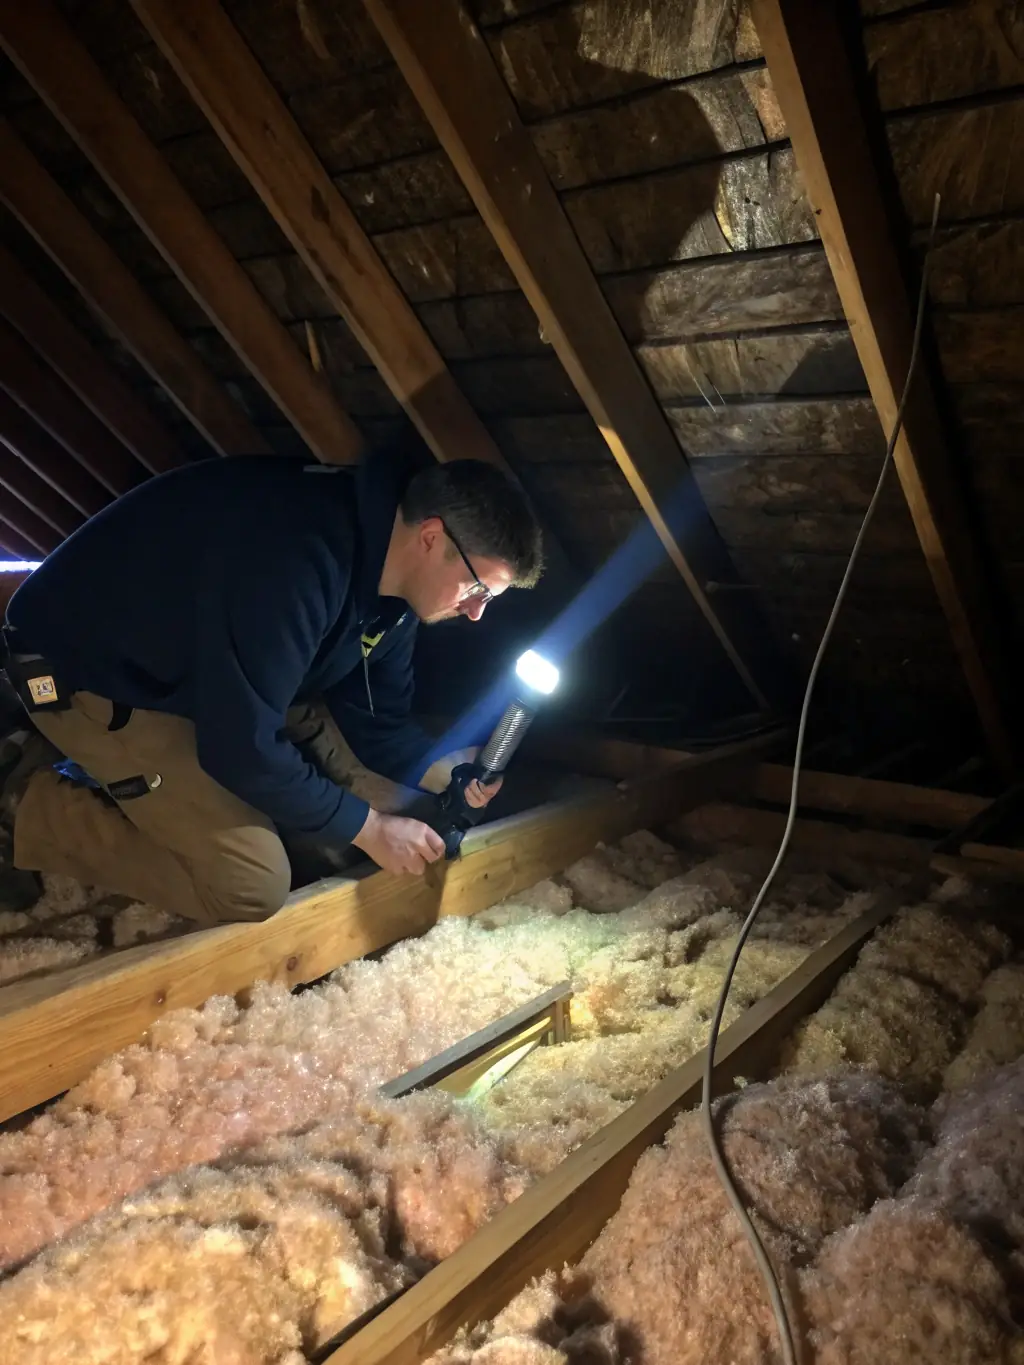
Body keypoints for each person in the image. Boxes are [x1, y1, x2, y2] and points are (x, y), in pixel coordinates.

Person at [0, 439, 543, 927]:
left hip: (210, 671)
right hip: (91, 671)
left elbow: (378, 720)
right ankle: (20, 799)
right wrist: (371, 830)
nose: (476, 614)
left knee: (356, 807)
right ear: (431, 537)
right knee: (251, 884)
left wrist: (442, 768)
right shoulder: (295, 554)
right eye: (477, 591)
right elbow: (239, 748)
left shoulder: (395, 587)